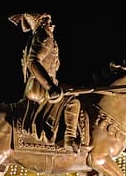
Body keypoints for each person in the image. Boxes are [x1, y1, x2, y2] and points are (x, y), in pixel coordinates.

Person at [8, 13, 81, 151]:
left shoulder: (37, 37)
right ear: (40, 22)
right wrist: (50, 87)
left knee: (69, 90)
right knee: (72, 100)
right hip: (40, 88)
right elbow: (33, 62)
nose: (51, 24)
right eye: (47, 20)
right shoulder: (44, 37)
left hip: (36, 86)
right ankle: (69, 139)